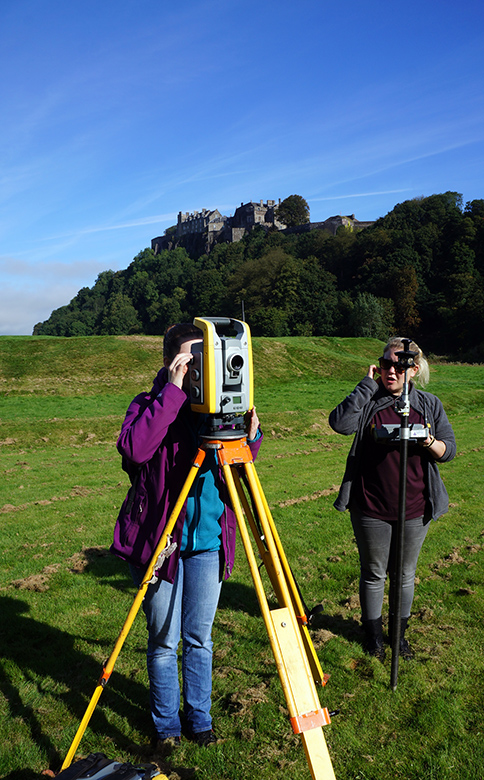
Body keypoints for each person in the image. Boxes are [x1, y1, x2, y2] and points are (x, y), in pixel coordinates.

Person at [111, 323, 262, 750]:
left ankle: (199, 719)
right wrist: (173, 394)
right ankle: (165, 727)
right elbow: (136, 450)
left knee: (200, 639)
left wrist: (249, 436)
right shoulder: (150, 405)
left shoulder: (214, 412)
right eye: (192, 360)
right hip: (165, 545)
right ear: (170, 362)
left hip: (209, 542)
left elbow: (238, 464)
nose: (202, 369)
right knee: (163, 641)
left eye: (206, 359)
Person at [329, 336, 456, 661]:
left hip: (414, 506)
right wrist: (365, 386)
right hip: (371, 505)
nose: (391, 371)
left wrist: (426, 440)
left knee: (404, 574)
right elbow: (340, 424)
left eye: (399, 365)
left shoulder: (428, 404)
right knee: (374, 572)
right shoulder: (370, 400)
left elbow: (448, 450)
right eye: (386, 364)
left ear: (413, 369)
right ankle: (372, 636)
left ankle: (399, 636)